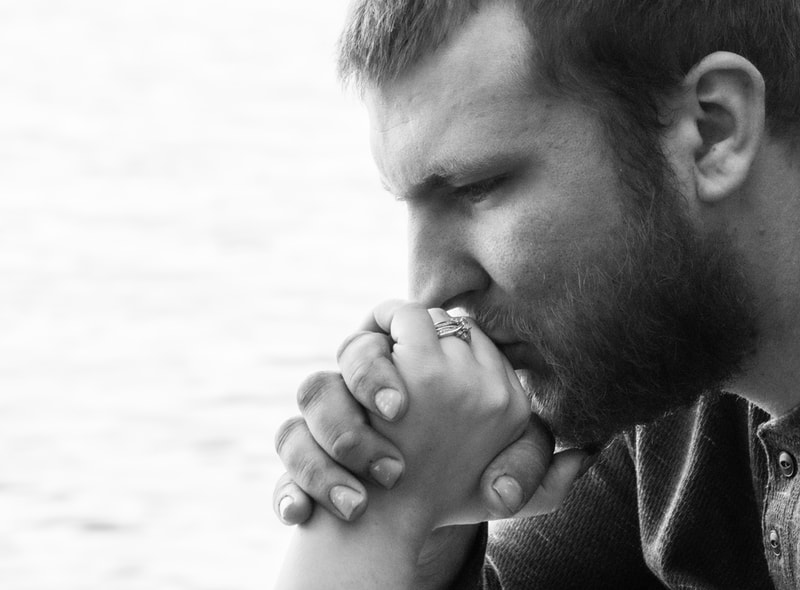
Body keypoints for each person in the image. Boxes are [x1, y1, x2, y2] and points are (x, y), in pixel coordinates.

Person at [274, 0, 800, 588]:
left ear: (712, 132)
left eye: (478, 187)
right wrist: (423, 530)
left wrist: (374, 529)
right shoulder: (670, 391)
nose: (426, 291)